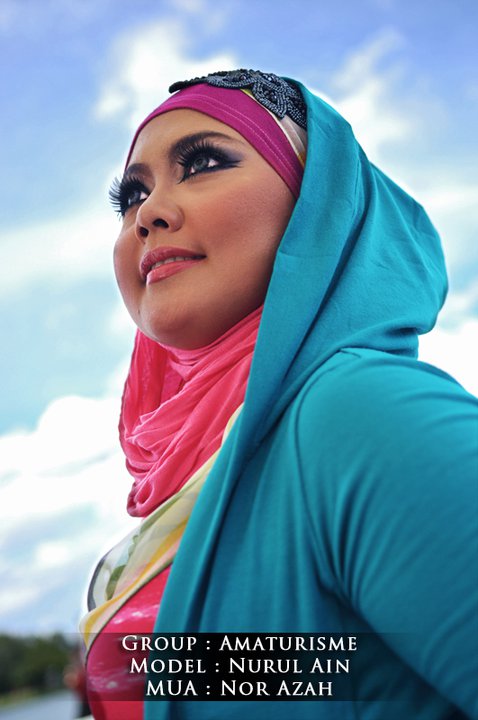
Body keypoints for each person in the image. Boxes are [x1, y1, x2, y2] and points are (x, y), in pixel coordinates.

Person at [80, 70, 478, 719]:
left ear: (315, 202)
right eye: (131, 195)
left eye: (202, 163)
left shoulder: (356, 417)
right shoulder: (213, 472)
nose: (147, 213)